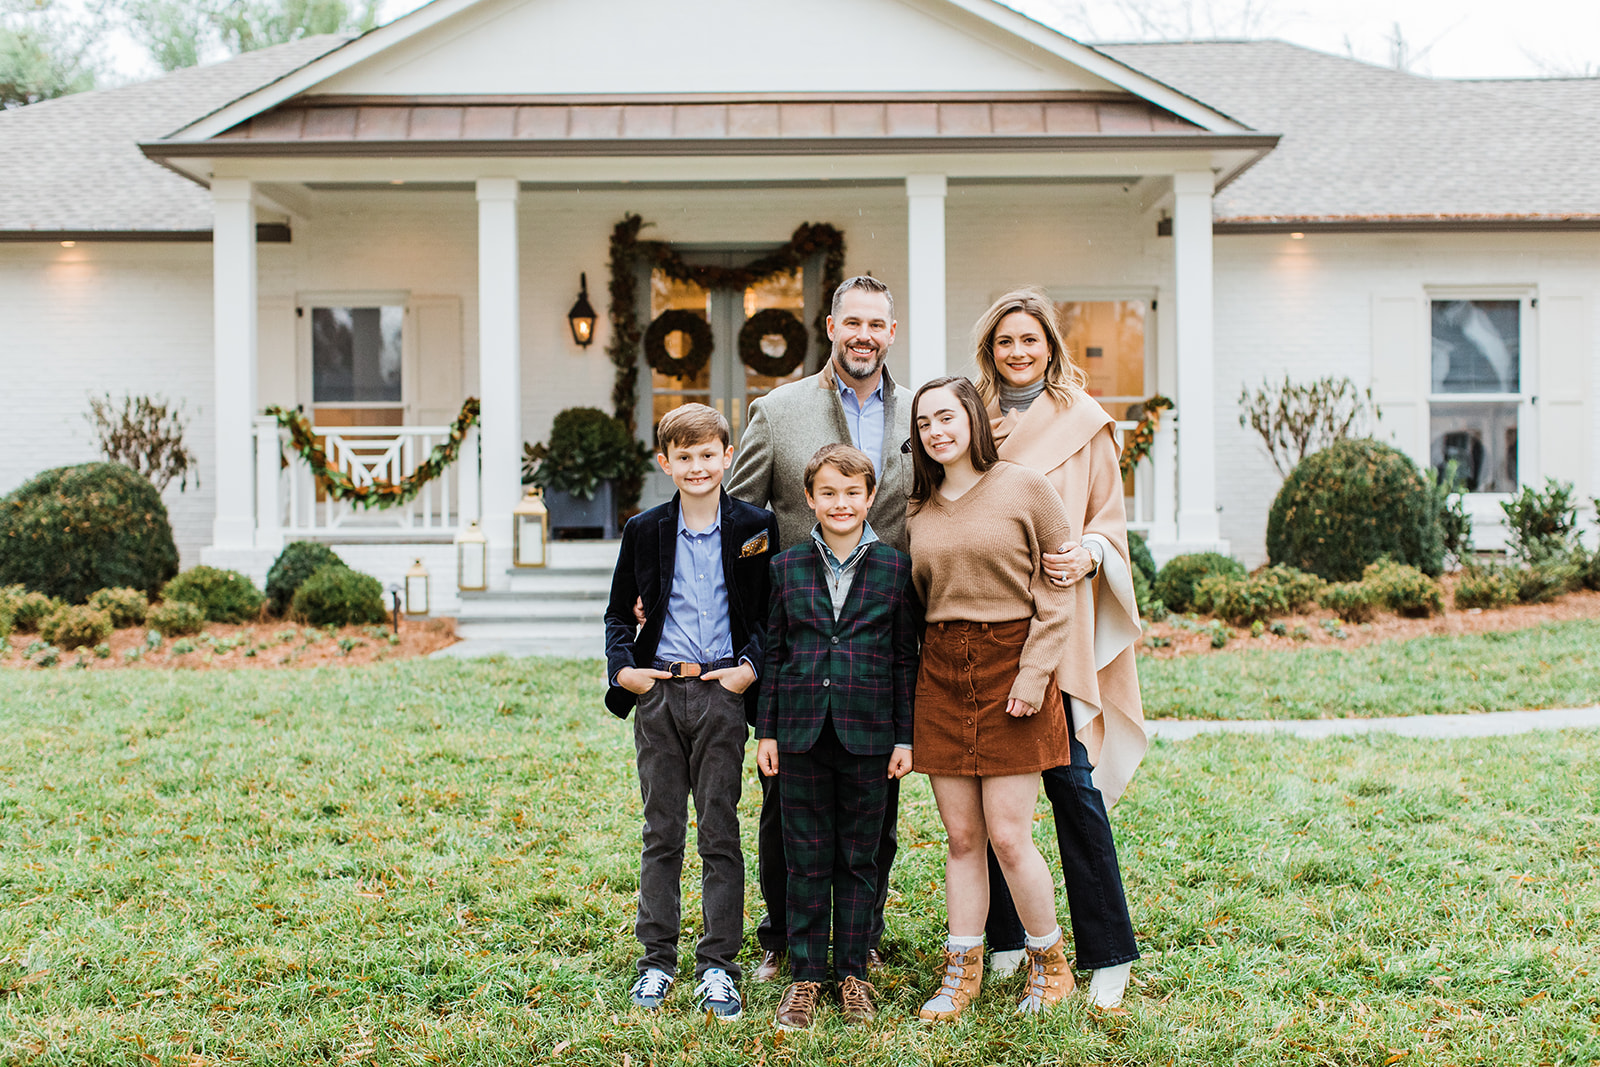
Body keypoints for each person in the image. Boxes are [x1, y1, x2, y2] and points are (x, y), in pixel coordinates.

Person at [726, 275, 913, 981]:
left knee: (875, 808)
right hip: (799, 636)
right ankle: (783, 936)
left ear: (891, 333)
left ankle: (860, 936)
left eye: (878, 323)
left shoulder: (918, 413)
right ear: (830, 327)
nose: (864, 334)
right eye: (851, 321)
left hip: (882, 629)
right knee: (787, 807)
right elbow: (736, 521)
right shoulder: (778, 411)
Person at [970, 287, 1147, 1010]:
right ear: (990, 349)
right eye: (1005, 340)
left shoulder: (1088, 422)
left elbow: (1110, 520)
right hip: (983, 621)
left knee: (1072, 787)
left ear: (1050, 346)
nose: (1018, 352)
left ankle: (1108, 951)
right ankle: (1007, 940)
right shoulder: (969, 417)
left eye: (1030, 340)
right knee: (988, 791)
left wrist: (1092, 555)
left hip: (1058, 622)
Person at [905, 375, 1077, 1020]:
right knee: (961, 836)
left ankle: (1049, 961)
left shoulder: (1025, 487)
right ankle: (963, 970)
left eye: (946, 417)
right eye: (924, 424)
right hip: (942, 671)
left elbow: (1061, 585)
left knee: (1009, 835)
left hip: (1013, 666)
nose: (936, 432)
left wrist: (1034, 676)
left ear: (974, 419)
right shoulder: (916, 509)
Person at [602, 403, 779, 1021]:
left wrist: (747, 672)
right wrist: (625, 672)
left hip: (721, 695)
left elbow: (767, 617)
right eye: (685, 456)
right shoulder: (644, 530)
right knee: (662, 830)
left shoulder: (757, 526)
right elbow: (619, 614)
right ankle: (656, 962)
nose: (698, 466)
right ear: (665, 463)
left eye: (708, 454)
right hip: (659, 696)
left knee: (720, 831)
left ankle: (718, 967)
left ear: (728, 456)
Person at [755, 443, 918, 1030]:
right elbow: (775, 654)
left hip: (870, 736)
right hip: (799, 733)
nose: (841, 503)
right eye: (828, 493)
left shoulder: (896, 568)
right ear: (810, 499)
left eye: (853, 493)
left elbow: (905, 658)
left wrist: (904, 738)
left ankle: (852, 973)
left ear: (871, 497)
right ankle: (804, 978)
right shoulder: (787, 567)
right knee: (804, 860)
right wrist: (767, 731)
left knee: (858, 857)